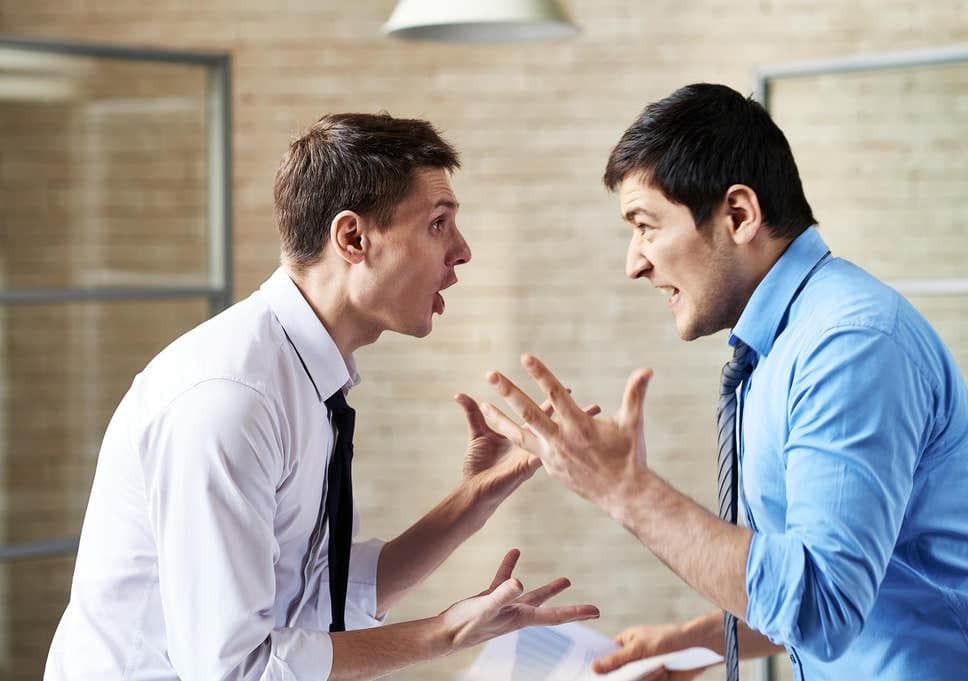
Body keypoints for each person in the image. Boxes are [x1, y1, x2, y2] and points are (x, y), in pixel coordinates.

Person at [45, 113, 599, 681]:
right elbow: (236, 670)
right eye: (438, 224)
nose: (462, 251)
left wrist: (476, 496)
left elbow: (322, 595)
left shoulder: (304, 378)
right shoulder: (231, 401)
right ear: (353, 239)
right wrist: (445, 633)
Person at [480, 83, 968, 681]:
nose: (634, 262)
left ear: (738, 215)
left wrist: (624, 490)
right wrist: (692, 643)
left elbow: (822, 606)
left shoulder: (849, 345)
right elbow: (823, 580)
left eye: (646, 226)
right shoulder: (782, 346)